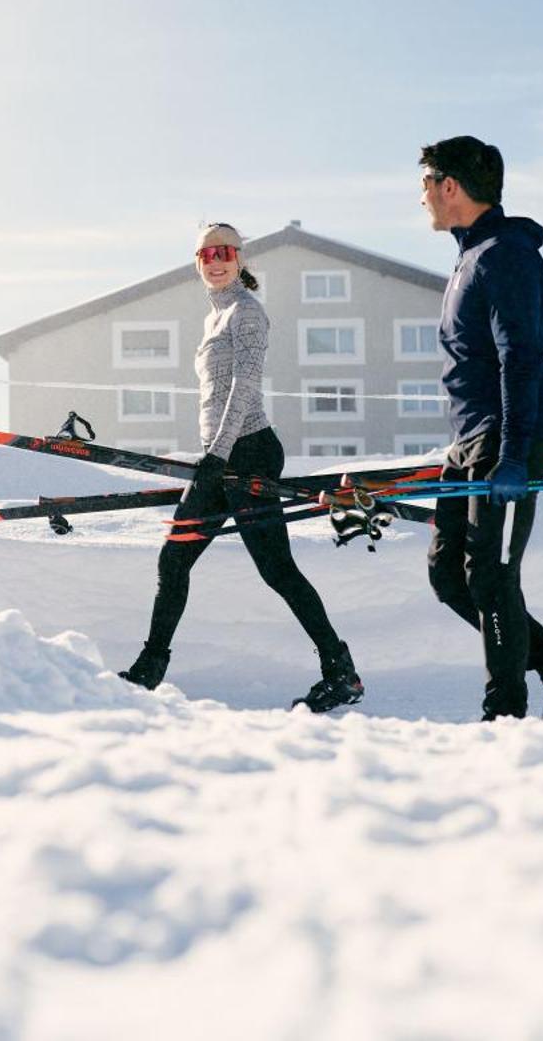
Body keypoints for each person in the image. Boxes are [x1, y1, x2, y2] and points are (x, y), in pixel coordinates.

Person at [119, 222, 364, 712]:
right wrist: (211, 453)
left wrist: (218, 453)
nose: (215, 260)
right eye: (206, 253)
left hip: (248, 451)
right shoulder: (216, 316)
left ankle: (342, 673)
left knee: (277, 570)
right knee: (175, 557)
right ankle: (148, 669)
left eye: (225, 251)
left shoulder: (247, 312)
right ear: (197, 262)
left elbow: (243, 386)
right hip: (220, 457)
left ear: (240, 258)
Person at [417, 137, 543, 720]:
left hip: (505, 439)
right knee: (450, 574)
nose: (420, 197)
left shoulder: (506, 255)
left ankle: (504, 719)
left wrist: (513, 454)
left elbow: (521, 357)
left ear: (451, 186)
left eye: (425, 183)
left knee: (493, 575)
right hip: (473, 440)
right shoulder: (470, 257)